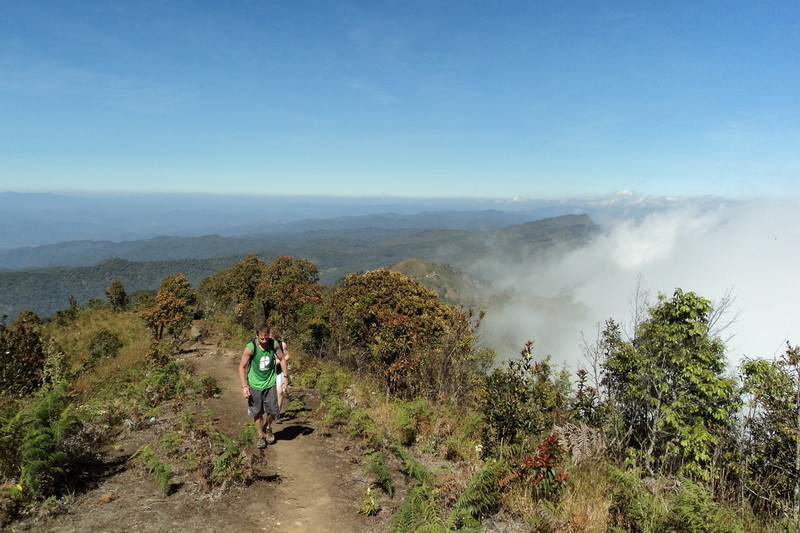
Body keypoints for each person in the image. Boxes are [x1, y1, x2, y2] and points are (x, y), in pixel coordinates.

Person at [239, 324, 286, 449]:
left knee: (273, 410)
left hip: (270, 382)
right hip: (255, 384)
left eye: (266, 338)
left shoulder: (274, 344)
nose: (265, 341)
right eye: (262, 339)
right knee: (257, 412)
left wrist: (285, 377)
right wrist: (244, 386)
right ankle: (260, 435)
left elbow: (282, 359)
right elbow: (241, 366)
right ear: (257, 336)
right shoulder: (251, 347)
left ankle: (268, 427)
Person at [274, 335, 290, 423]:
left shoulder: (282, 344)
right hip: (267, 373)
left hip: (279, 371)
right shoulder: (262, 345)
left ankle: (277, 414)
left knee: (279, 392)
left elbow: (287, 355)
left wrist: (279, 361)